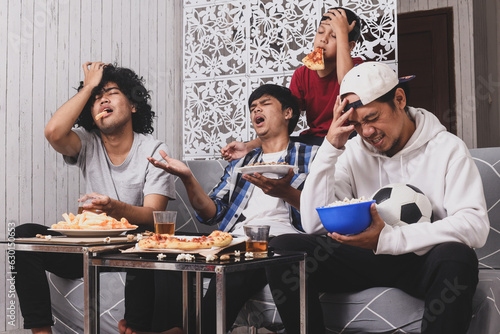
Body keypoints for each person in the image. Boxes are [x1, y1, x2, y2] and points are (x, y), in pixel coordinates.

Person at [265, 62, 490, 333]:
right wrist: (330, 147)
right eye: (357, 124)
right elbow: (314, 224)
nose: (366, 132)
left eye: (372, 118)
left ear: (399, 99)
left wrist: (389, 239)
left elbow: (474, 226)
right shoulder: (351, 151)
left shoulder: (447, 148)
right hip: (362, 257)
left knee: (458, 257)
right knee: (285, 248)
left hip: (419, 259)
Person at [137, 84, 318, 334]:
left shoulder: (313, 156)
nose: (256, 110)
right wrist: (188, 178)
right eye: (252, 107)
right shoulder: (241, 163)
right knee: (168, 250)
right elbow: (213, 213)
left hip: (286, 243)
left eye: (264, 104)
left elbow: (323, 209)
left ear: (288, 113)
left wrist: (285, 191)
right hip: (238, 242)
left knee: (237, 271)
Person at [14, 62, 177, 334]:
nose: (102, 99)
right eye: (95, 98)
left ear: (134, 105)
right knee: (21, 236)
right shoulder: (87, 142)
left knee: (148, 239)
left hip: (131, 245)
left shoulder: (154, 150)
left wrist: (114, 208)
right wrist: (88, 85)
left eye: (111, 92)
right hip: (87, 246)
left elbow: (154, 216)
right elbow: (53, 132)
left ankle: (136, 328)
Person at [221, 7, 363, 160]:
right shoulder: (302, 74)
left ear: (349, 46)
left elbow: (348, 86)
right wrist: (249, 145)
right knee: (280, 147)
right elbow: (285, 119)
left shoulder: (358, 68)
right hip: (316, 140)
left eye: (335, 35)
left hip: (348, 136)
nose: (323, 39)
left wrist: (343, 35)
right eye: (320, 32)